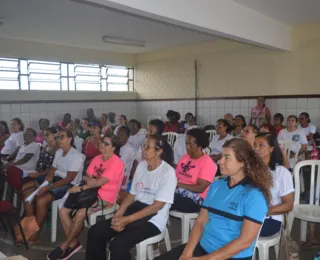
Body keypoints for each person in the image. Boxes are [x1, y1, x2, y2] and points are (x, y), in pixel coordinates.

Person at [155, 138, 271, 260]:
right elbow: (200, 222)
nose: (220, 161)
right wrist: (187, 253)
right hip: (204, 248)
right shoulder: (216, 186)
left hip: (232, 256)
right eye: (221, 157)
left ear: (242, 162)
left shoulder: (254, 195)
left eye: (227, 157)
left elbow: (245, 241)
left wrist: (205, 259)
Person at [85, 134, 177, 260]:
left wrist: (127, 220)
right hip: (136, 210)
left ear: (159, 151)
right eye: (143, 146)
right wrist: (119, 213)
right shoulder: (141, 166)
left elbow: (157, 206)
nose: (143, 149)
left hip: (153, 219)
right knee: (95, 232)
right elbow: (132, 195)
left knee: (118, 244)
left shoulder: (168, 172)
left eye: (147, 147)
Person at [47, 136, 125, 260]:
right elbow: (86, 176)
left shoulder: (116, 162)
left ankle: (65, 245)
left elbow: (99, 182)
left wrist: (84, 186)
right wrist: (91, 182)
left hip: (104, 197)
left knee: (80, 213)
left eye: (106, 144)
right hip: (89, 192)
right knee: (62, 210)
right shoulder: (97, 158)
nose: (102, 145)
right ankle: (73, 243)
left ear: (114, 148)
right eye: (102, 142)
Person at [18, 129, 84, 244]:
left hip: (69, 185)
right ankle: (29, 226)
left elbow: (69, 178)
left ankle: (36, 233)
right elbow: (52, 171)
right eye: (57, 137)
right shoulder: (59, 152)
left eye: (61, 137)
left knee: (41, 200)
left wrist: (47, 188)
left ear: (69, 139)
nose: (58, 139)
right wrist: (44, 184)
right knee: (27, 192)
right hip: (55, 179)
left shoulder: (76, 156)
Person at [254, 133, 294, 237]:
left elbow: (288, 205)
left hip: (269, 218)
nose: (256, 148)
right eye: (255, 144)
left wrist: (264, 211)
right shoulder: (251, 170)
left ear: (271, 149)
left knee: (234, 230)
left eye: (261, 145)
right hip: (249, 215)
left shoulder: (280, 172)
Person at [173, 128, 217, 213]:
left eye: (190, 144)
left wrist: (178, 184)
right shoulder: (184, 158)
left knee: (167, 199)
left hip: (196, 200)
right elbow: (175, 177)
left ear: (200, 145)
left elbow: (200, 188)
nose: (187, 147)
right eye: (186, 144)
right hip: (179, 193)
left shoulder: (207, 163)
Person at [21, 127, 59, 219]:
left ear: (54, 135)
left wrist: (38, 174)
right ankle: (29, 219)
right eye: (43, 135)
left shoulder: (57, 149)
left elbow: (53, 168)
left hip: (48, 177)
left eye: (47, 135)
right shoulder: (46, 146)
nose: (44, 137)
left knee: (26, 191)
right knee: (24, 191)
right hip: (39, 174)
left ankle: (31, 218)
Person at [117, 126, 137, 191]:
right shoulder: (119, 146)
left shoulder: (129, 149)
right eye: (118, 133)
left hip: (123, 177)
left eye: (122, 134)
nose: (119, 136)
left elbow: (119, 165)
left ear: (128, 136)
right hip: (117, 176)